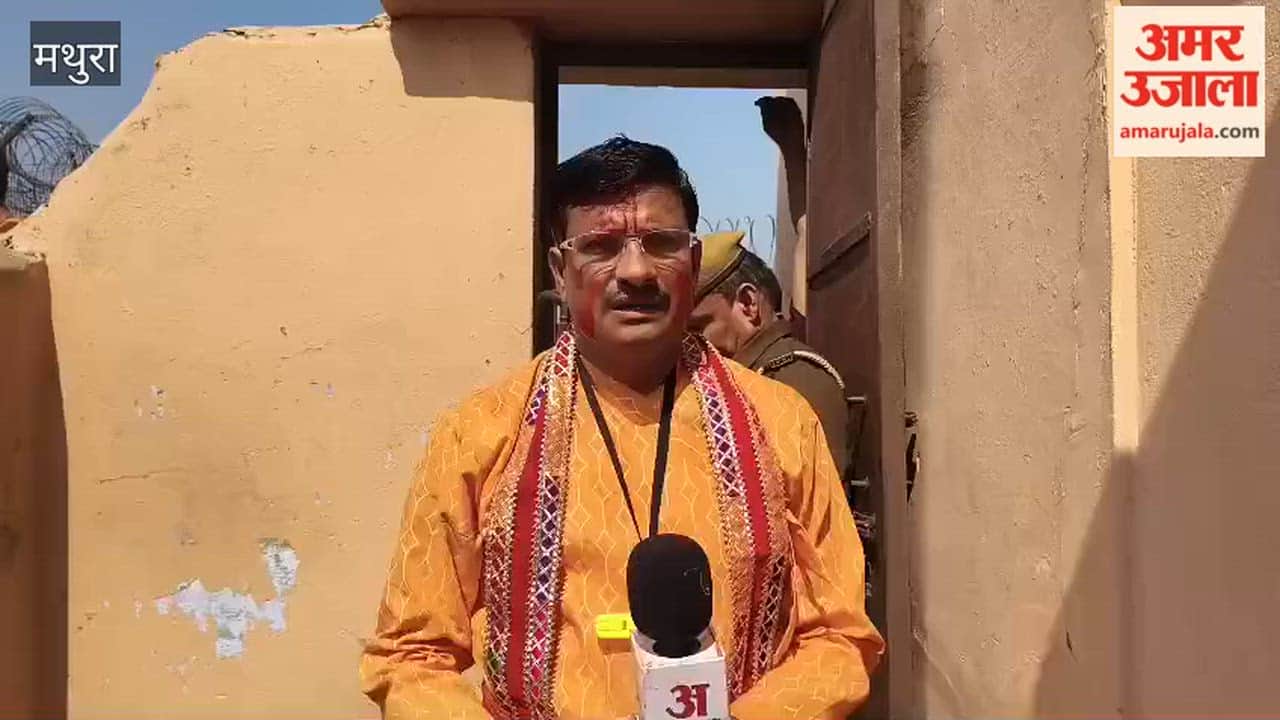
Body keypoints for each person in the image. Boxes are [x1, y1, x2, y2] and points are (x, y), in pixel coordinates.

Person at [360, 136, 882, 720]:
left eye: (660, 244)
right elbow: (412, 655)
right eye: (601, 247)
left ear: (689, 262)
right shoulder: (480, 433)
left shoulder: (782, 422)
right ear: (561, 270)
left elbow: (842, 637)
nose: (635, 271)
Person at [690, 231, 850, 481]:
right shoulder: (733, 376)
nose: (690, 344)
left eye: (698, 327)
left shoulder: (795, 377)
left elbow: (814, 502)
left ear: (747, 303)